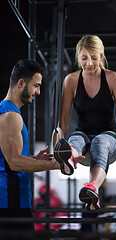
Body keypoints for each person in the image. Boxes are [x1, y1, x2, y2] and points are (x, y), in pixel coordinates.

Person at [0, 59, 82, 232]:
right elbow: (14, 162)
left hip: (16, 200)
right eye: (36, 86)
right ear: (21, 83)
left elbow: (7, 159)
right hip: (10, 202)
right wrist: (55, 164)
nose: (38, 92)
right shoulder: (10, 116)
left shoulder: (10, 113)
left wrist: (33, 159)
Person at [60, 35, 116, 211]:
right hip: (82, 133)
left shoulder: (113, 78)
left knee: (99, 143)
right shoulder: (71, 80)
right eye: (84, 58)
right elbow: (64, 118)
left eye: (94, 58)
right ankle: (67, 157)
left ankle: (92, 188)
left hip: (109, 136)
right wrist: (58, 143)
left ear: (101, 56)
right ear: (78, 56)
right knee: (75, 141)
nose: (89, 63)